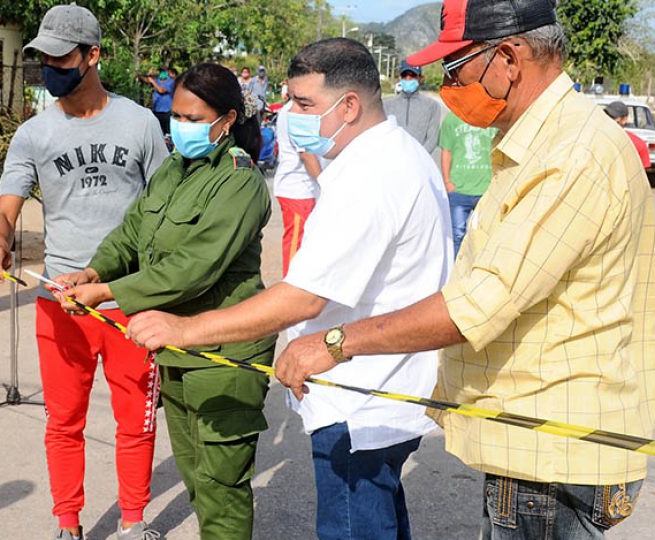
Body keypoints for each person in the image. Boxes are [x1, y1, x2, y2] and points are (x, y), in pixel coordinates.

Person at [274, 1, 655, 538]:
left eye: (456, 69)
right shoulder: (540, 143)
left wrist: (334, 342)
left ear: (507, 57)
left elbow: (476, 304)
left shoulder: (570, 155)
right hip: (533, 444)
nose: (448, 86)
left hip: (548, 456)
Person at [124, 38, 453, 539]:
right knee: (379, 520)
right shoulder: (395, 153)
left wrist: (185, 329)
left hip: (360, 401)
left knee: (356, 525)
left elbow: (303, 296)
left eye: (304, 105)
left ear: (349, 105)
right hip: (382, 387)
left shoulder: (371, 173)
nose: (291, 117)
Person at [53, 62, 274, 540]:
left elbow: (196, 267)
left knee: (222, 486)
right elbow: (131, 233)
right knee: (197, 478)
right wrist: (93, 270)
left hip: (225, 354)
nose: (182, 126)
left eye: (195, 119)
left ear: (227, 120)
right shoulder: (174, 169)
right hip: (174, 346)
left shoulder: (239, 182)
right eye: (177, 115)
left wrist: (110, 292)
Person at [0, 5, 169, 540]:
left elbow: (165, 207)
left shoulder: (140, 123)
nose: (50, 66)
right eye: (44, 57)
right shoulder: (33, 134)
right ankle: (68, 525)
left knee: (137, 421)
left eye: (61, 56)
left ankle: (134, 520)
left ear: (92, 56)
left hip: (129, 299)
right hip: (61, 302)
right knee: (63, 422)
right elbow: (4, 211)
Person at [271, 97, 324, 276]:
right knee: (296, 245)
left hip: (304, 189)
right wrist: (326, 184)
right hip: (297, 189)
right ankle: (291, 289)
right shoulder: (296, 113)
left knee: (304, 244)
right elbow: (307, 155)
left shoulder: (297, 110)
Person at [439, 111, 497, 255]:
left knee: (487, 235)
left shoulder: (493, 118)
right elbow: (446, 151)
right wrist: (447, 182)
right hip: (459, 189)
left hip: (487, 189)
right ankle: (455, 273)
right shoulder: (452, 119)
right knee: (457, 235)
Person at [383, 60, 441, 154]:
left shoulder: (432, 106)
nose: (408, 79)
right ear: (400, 78)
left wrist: (417, 157)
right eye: (405, 76)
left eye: (412, 75)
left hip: (420, 162)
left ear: (420, 78)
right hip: (393, 160)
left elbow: (432, 139)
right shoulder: (387, 105)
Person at [604, 100, 652, 169]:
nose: (609, 120)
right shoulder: (598, 139)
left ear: (624, 120)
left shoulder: (638, 144)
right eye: (606, 116)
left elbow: (643, 174)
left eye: (612, 117)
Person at [139, 66, 177, 137]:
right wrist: (139, 74)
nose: (162, 73)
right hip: (157, 110)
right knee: (158, 132)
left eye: (164, 72)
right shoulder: (157, 80)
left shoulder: (171, 82)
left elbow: (161, 90)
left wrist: (152, 81)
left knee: (168, 133)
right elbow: (146, 80)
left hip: (167, 111)